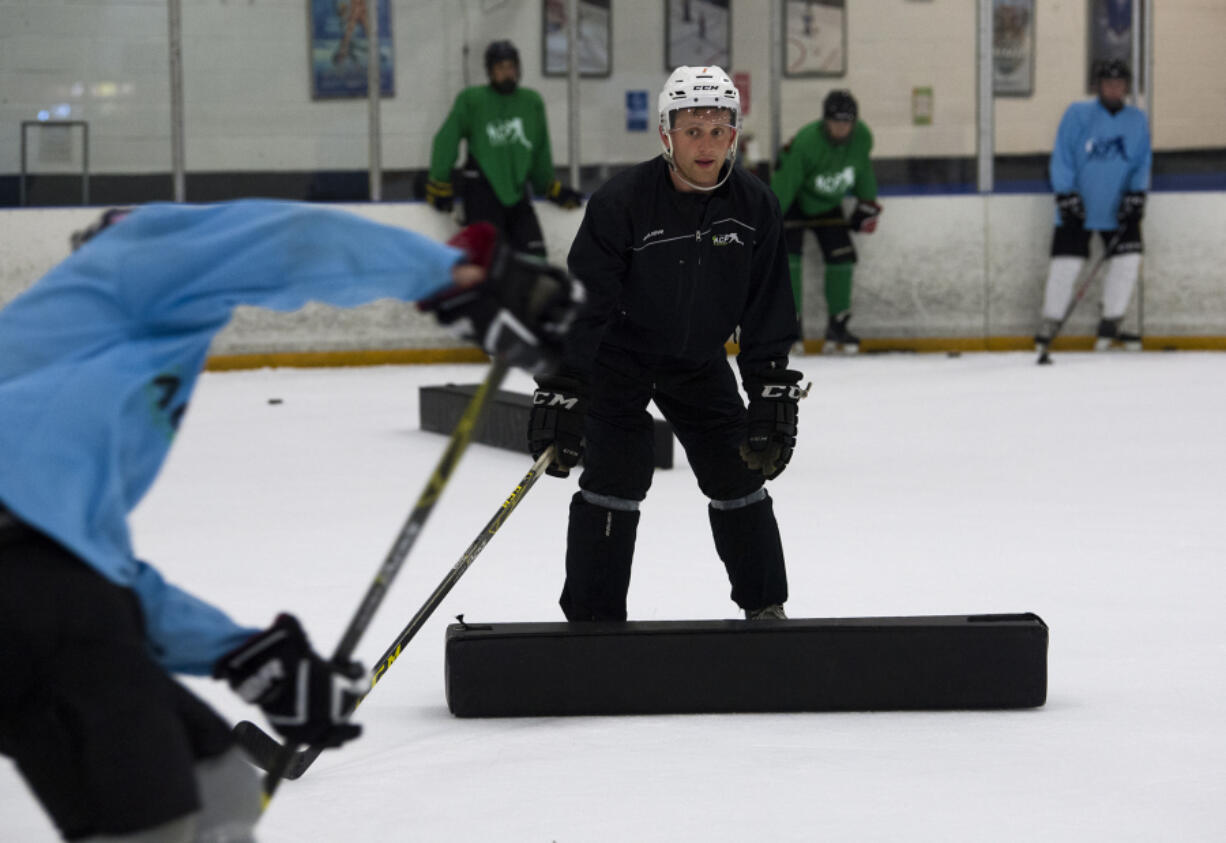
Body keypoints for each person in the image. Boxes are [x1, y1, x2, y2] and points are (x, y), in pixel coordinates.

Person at [0, 200, 582, 842]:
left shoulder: (77, 384)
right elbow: (290, 242)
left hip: (43, 609)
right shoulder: (135, 258)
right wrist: (455, 275)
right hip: (37, 607)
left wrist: (245, 655)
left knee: (217, 784)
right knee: (165, 816)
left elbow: (89, 576)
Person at [527, 66, 802, 623]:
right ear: (665, 134)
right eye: (692, 129)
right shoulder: (621, 202)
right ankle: (594, 620)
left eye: (718, 129)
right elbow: (585, 304)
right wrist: (563, 387)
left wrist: (771, 389)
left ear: (734, 134)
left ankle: (766, 607)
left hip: (697, 361)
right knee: (615, 477)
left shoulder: (755, 208)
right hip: (620, 359)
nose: (706, 143)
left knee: (737, 470)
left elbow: (767, 307)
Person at [426, 39, 583, 258]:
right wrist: (440, 181)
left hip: (518, 195)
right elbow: (446, 139)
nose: (507, 73)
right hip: (481, 193)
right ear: (490, 71)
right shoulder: (472, 100)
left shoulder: (531, 102)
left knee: (536, 257)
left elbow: (540, 149)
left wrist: (547, 186)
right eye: (500, 68)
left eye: (511, 67)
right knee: (488, 262)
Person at [1036, 59, 1151, 351]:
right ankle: (1050, 322)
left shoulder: (1137, 120)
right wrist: (1066, 194)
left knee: (1128, 262)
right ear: (1098, 86)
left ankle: (1111, 321)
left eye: (1120, 83)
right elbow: (1062, 155)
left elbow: (1141, 162)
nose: (1114, 88)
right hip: (1079, 206)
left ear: (1127, 87)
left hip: (1117, 207)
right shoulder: (1077, 114)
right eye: (1108, 83)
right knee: (1066, 264)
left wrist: (1137, 195)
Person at [771, 89, 881, 354]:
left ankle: (838, 326)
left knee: (842, 258)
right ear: (825, 121)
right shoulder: (806, 143)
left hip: (828, 204)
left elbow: (862, 168)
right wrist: (771, 219)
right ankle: (790, 328)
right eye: (836, 121)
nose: (842, 127)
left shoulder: (862, 137)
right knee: (789, 261)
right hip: (795, 201)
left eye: (847, 122)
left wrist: (867, 202)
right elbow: (785, 182)